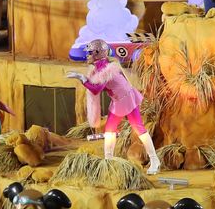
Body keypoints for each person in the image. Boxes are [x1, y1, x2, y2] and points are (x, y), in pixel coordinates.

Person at [65, 38, 161, 174]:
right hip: (117, 100)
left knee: (138, 127)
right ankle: (108, 160)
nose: (87, 55)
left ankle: (154, 160)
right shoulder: (100, 67)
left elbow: (96, 89)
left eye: (90, 53)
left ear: (98, 53)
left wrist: (82, 79)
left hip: (126, 99)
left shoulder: (106, 69)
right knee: (110, 129)